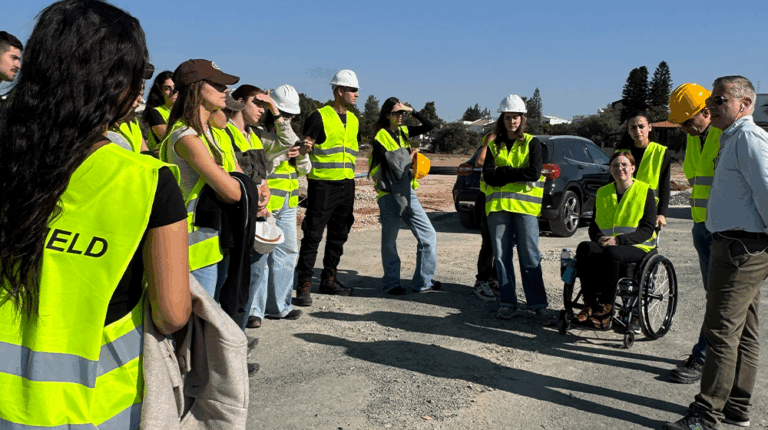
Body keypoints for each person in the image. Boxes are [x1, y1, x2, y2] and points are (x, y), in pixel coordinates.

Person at [0, 1, 190, 428]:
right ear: (111, 79)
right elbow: (171, 312)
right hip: (93, 405)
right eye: (139, 72)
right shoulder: (145, 181)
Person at [663, 76, 768, 430]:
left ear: (744, 104)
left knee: (721, 329)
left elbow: (767, 192)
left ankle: (706, 414)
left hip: (742, 247)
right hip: (731, 241)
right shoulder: (733, 138)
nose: (713, 105)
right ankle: (737, 406)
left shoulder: (748, 138)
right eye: (713, 99)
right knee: (746, 329)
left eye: (721, 99)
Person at [159, 59, 243, 301]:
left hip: (216, 238)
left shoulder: (208, 133)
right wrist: (242, 186)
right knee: (200, 327)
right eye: (217, 84)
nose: (225, 90)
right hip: (194, 248)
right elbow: (233, 192)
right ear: (196, 88)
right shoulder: (186, 137)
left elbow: (235, 176)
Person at [664, 83, 723, 384]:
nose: (683, 128)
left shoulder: (727, 137)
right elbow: (694, 180)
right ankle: (713, 354)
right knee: (714, 298)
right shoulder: (695, 139)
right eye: (681, 124)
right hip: (701, 227)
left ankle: (703, 358)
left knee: (719, 302)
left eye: (688, 121)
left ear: (705, 112)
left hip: (724, 233)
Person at [295, 69, 361, 305]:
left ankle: (329, 279)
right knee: (313, 235)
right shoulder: (318, 116)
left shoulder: (354, 120)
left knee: (339, 235)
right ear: (339, 91)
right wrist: (305, 147)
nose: (356, 94)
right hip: (322, 185)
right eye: (353, 90)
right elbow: (305, 147)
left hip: (347, 185)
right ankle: (303, 283)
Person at [482, 94, 548, 319]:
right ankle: (508, 302)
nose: (512, 121)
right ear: (502, 119)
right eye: (508, 117)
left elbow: (534, 173)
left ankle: (537, 303)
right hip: (498, 208)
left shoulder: (532, 142)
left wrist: (504, 172)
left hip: (525, 209)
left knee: (529, 254)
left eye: (516, 117)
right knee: (501, 255)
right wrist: (514, 175)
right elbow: (489, 177)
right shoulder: (493, 145)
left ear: (523, 119)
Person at [573, 152, 656, 327]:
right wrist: (599, 238)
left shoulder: (645, 191)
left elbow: (648, 229)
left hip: (639, 247)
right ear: (610, 170)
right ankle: (589, 303)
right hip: (608, 244)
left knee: (612, 253)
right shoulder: (603, 192)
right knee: (584, 248)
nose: (620, 169)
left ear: (633, 168)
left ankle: (606, 308)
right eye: (615, 166)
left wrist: (619, 240)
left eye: (624, 165)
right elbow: (594, 226)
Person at [250, 84, 311, 323]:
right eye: (283, 114)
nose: (287, 119)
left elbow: (305, 170)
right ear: (271, 110)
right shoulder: (258, 134)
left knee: (287, 253)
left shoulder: (292, 137)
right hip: (267, 202)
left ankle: (279, 306)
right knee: (262, 255)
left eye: (290, 116)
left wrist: (303, 155)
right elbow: (257, 166)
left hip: (288, 201)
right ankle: (254, 310)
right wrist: (283, 155)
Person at [369, 97, 437, 294]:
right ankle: (392, 283)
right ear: (387, 115)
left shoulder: (404, 131)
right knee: (389, 240)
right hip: (389, 193)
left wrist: (411, 109)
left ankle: (424, 281)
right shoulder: (381, 135)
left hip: (407, 192)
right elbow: (395, 164)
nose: (400, 117)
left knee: (428, 235)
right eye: (396, 113)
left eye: (401, 113)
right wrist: (411, 156)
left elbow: (429, 125)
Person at [458, 132, 499, 301]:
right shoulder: (493, 139)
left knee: (504, 244)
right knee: (489, 242)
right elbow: (480, 161)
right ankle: (482, 280)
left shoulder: (517, 142)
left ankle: (495, 279)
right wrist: (489, 143)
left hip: (507, 199)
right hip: (488, 196)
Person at [616, 111, 671, 230]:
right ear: (628, 130)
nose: (637, 131)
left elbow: (664, 186)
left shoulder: (661, 152)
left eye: (641, 127)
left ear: (649, 127)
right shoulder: (621, 153)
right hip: (624, 208)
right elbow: (612, 183)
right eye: (633, 128)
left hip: (649, 210)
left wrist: (661, 214)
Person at [144, 70, 177, 150]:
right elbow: (169, 141)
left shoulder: (186, 111)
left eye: (175, 87)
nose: (173, 92)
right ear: (160, 92)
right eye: (167, 88)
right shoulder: (155, 112)